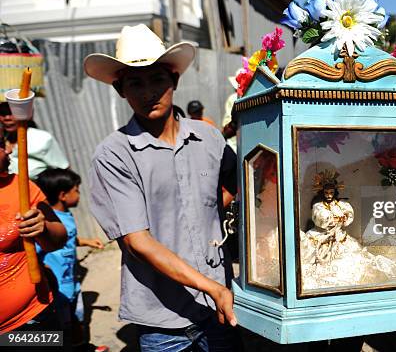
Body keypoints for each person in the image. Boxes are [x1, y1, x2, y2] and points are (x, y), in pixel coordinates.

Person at [83, 24, 239, 351]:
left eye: (157, 80)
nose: (148, 92)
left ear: (174, 81)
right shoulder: (115, 154)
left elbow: (237, 184)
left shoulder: (209, 137)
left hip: (220, 309)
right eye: (135, 83)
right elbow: (138, 242)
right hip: (161, 320)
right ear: (120, 90)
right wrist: (211, 287)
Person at [0, 135, 67, 333]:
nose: (10, 150)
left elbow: (59, 239)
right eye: (1, 145)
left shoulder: (19, 186)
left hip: (32, 319)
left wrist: (43, 228)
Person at [299, 169, 396, 291]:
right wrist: (336, 218)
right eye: (326, 192)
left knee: (353, 260)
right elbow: (321, 219)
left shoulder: (342, 204)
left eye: (331, 192)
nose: (329, 195)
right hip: (321, 236)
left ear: (335, 192)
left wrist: (340, 218)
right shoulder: (318, 206)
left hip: (339, 236)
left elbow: (348, 216)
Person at [35, 168, 104, 340]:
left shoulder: (66, 215)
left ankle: (83, 345)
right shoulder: (46, 223)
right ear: (63, 195)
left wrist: (86, 242)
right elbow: (36, 252)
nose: (79, 194)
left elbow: (68, 238)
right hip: (57, 290)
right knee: (63, 330)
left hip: (73, 284)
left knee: (78, 320)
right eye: (77, 190)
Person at [0, 102, 69, 180]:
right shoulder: (3, 138)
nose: (7, 118)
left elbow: (64, 170)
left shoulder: (42, 138)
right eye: (2, 113)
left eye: (12, 113)